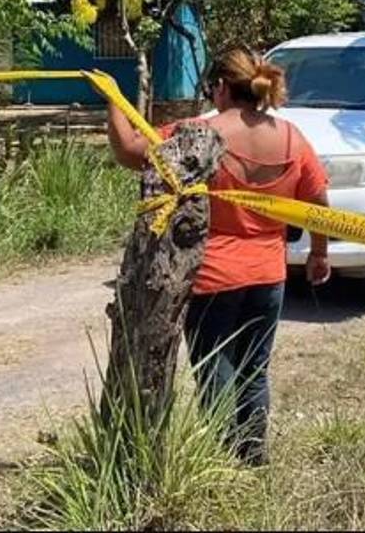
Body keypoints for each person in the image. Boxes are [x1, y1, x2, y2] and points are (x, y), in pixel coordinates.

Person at [96, 47, 331, 466]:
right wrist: (318, 254)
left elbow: (131, 151)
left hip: (212, 278)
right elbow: (318, 202)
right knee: (253, 371)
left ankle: (221, 463)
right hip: (268, 278)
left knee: (214, 371)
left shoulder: (196, 134)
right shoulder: (293, 138)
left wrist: (113, 98)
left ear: (221, 87)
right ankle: (253, 459)